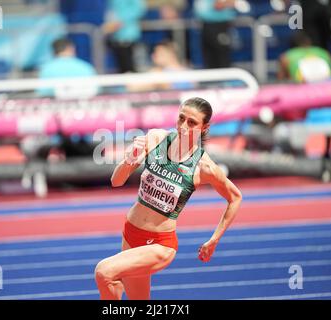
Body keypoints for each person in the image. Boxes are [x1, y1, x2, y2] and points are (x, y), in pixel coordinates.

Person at [94, 97, 243, 300]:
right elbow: (116, 181)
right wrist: (129, 160)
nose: (183, 126)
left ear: (205, 127)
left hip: (160, 244)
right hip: (131, 233)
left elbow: (235, 197)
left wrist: (214, 240)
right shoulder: (156, 139)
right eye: (181, 118)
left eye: (192, 123)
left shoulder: (203, 167)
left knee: (104, 272)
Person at [127, 39, 193, 91]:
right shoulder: (159, 72)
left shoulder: (190, 74)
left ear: (170, 54)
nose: (153, 56)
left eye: (157, 53)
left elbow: (133, 87)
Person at [103, 0, 147, 73]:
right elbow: (111, 10)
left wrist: (120, 21)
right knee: (121, 68)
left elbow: (139, 8)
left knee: (131, 68)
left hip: (129, 37)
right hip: (115, 37)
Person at [193, 0, 237, 69]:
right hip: (207, 25)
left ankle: (225, 78)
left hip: (220, 25)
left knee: (222, 57)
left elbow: (222, 4)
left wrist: (224, 4)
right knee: (209, 57)